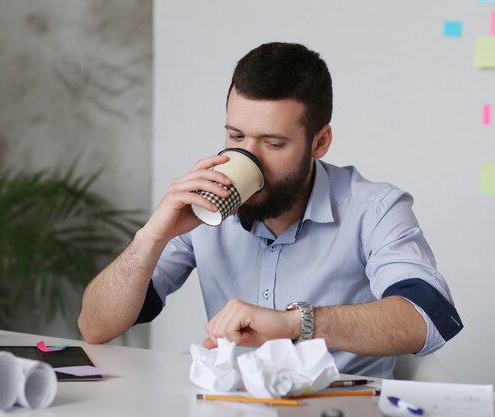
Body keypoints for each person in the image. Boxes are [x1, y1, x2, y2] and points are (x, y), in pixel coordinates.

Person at [78, 42, 463, 378]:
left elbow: (429, 317)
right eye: (236, 136)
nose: (249, 156)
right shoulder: (202, 208)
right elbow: (96, 327)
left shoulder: (373, 209)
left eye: (274, 143)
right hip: (232, 404)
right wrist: (152, 236)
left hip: (339, 406)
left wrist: (294, 323)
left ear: (320, 141)